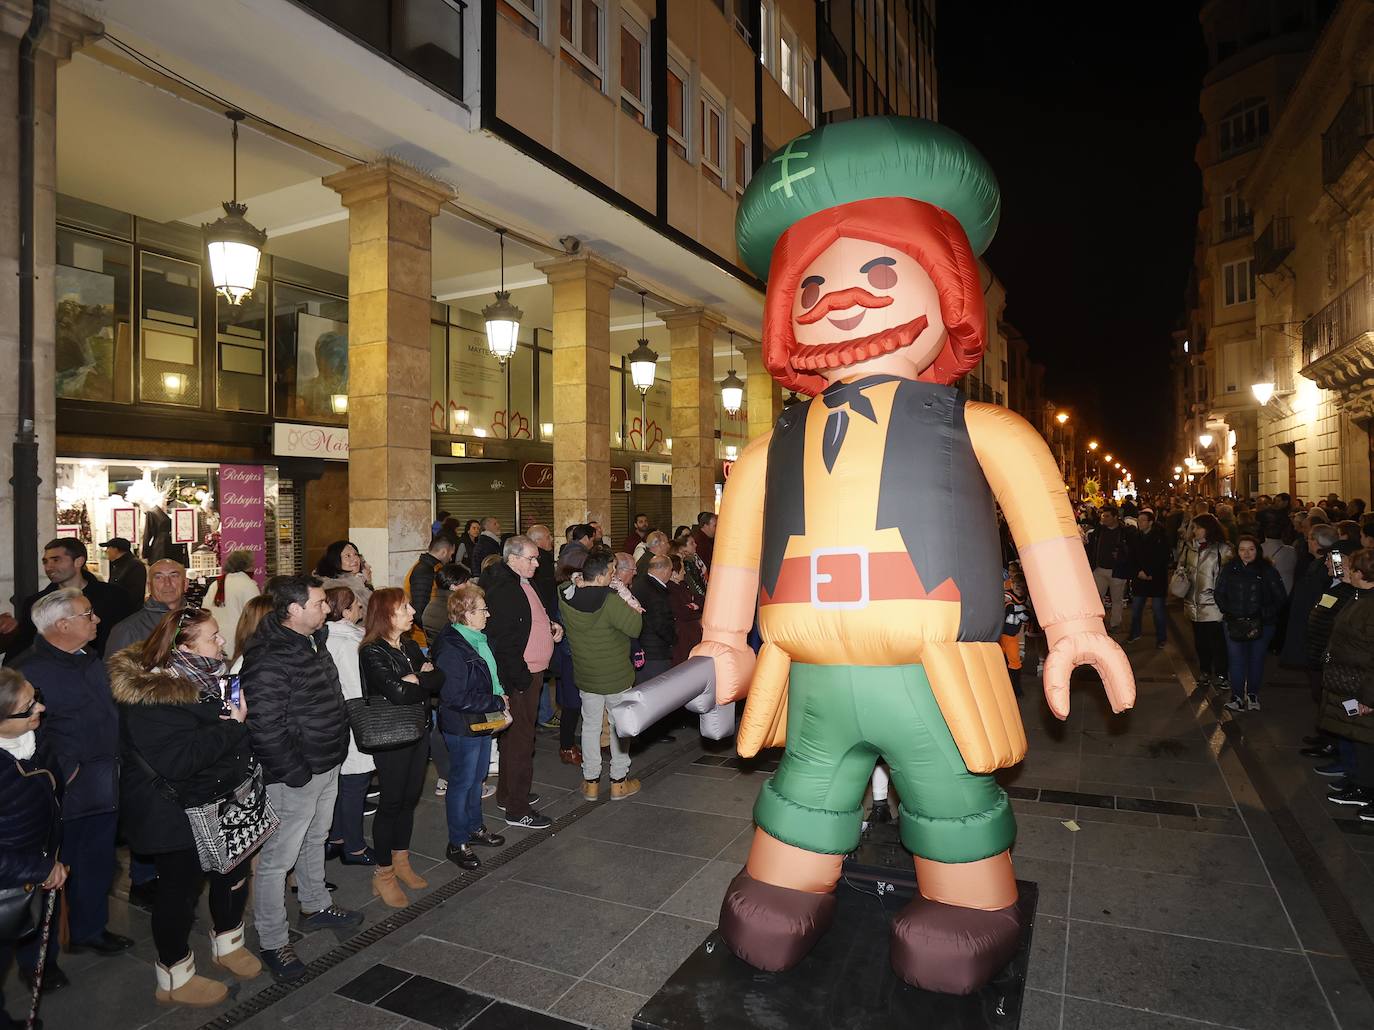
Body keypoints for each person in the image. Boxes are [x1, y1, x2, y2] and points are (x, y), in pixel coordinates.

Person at [108, 607, 261, 1006]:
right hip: (172, 811)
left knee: (234, 871)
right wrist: (233, 724)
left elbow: (234, 734)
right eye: (213, 637)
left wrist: (236, 727)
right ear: (183, 648)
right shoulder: (152, 695)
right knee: (179, 892)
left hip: (220, 799)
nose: (223, 642)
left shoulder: (215, 676)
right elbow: (179, 761)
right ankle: (174, 976)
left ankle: (228, 942)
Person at [241, 576, 360, 981]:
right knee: (277, 860)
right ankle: (274, 939)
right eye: (320, 602)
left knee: (316, 838)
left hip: (325, 760)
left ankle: (315, 903)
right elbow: (265, 725)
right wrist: (295, 773)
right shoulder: (270, 655)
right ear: (293, 609)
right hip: (297, 771)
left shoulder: (314, 639)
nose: (327, 608)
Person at [14, 590, 132, 984]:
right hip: (60, 792)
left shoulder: (90, 660)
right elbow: (24, 737)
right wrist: (68, 773)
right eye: (88, 614)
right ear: (62, 625)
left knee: (96, 862)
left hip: (103, 783)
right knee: (46, 877)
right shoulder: (27, 673)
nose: (97, 620)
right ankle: (38, 964)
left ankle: (90, 930)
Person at [359, 588, 442, 907]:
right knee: (391, 803)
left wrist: (416, 679)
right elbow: (396, 693)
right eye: (404, 607)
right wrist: (416, 680)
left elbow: (438, 679)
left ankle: (402, 861)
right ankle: (383, 874)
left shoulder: (408, 644)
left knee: (409, 800)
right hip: (391, 736)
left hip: (417, 730)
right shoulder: (372, 650)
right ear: (386, 615)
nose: (411, 611)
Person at [479, 535, 563, 829]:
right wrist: (522, 679)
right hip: (520, 677)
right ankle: (517, 808)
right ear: (512, 558)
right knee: (520, 742)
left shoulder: (523, 580)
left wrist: (552, 626)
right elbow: (503, 642)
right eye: (531, 558)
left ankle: (507, 793)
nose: (537, 563)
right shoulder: (504, 588)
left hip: (532, 671)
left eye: (537, 558)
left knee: (514, 739)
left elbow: (531, 618)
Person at [0, 668, 64, 1026]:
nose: (40, 707)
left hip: (24, 873)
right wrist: (40, 868)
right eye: (28, 706)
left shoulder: (32, 742)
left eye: (35, 696)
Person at [431, 583, 509, 870]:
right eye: (482, 610)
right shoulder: (453, 647)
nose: (488, 615)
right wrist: (495, 701)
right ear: (465, 614)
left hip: (479, 718)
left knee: (477, 777)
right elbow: (454, 697)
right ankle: (457, 842)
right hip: (462, 724)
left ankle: (475, 829)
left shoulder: (476, 639)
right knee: (462, 782)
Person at [560, 548, 643, 802]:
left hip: (587, 674)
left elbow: (566, 582)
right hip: (616, 676)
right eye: (612, 570)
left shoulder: (565, 595)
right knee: (619, 728)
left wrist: (578, 580)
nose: (614, 575)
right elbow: (635, 627)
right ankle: (619, 781)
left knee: (590, 726)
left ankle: (591, 782)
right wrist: (628, 601)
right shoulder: (611, 600)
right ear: (605, 574)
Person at [4, 538, 135, 663]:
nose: (49, 567)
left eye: (56, 560)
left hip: (107, 673)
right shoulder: (37, 603)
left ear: (79, 561)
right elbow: (22, 646)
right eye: (45, 561)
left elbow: (130, 637)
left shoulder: (115, 597)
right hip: (55, 677)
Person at [1315, 548, 1374, 820]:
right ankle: (1359, 782)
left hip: (1362, 687)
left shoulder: (1369, 606)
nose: (1346, 571)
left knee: (1366, 739)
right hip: (1348, 683)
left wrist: (1368, 698)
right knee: (1355, 734)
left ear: (1362, 574)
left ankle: (1367, 789)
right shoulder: (1358, 596)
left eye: (1352, 568)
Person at [321, 587, 376, 867]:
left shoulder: (326, 638)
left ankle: (337, 837)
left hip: (336, 721)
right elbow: (356, 687)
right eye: (356, 605)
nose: (360, 609)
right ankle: (354, 848)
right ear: (345, 611)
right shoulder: (348, 642)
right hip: (355, 722)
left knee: (342, 786)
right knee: (355, 786)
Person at [1214, 535, 1286, 712]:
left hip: (1262, 625)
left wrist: (1263, 614)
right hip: (1234, 622)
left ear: (1257, 551)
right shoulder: (1229, 569)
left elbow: (1280, 598)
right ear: (1236, 551)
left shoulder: (1268, 570)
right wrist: (1230, 611)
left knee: (1256, 660)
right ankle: (1237, 696)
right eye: (1242, 549)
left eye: (1251, 549)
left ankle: (1252, 694)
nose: (1246, 553)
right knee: (1236, 661)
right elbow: (1219, 593)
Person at [1182, 513, 1232, 692]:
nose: (1193, 531)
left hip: (1213, 604)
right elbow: (1182, 567)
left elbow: (1229, 575)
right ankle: (1204, 670)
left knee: (1217, 641)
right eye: (1193, 527)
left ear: (1208, 529)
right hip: (1193, 603)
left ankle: (1221, 674)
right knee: (1200, 641)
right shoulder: (1189, 548)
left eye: (1197, 527)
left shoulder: (1222, 549)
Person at [105, 559, 188, 661]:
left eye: (174, 576)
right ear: (149, 587)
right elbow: (113, 673)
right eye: (158, 577)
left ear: (186, 584)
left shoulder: (200, 622)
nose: (167, 583)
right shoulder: (127, 630)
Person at [1127, 508, 1170, 647]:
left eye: (1143, 520)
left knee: (1158, 611)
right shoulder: (1135, 537)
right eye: (1138, 520)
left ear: (1150, 522)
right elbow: (1132, 557)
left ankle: (1161, 638)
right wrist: (1138, 571)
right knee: (1136, 610)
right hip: (1140, 578)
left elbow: (1163, 558)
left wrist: (1150, 572)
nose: (1140, 523)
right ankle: (1135, 632)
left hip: (1156, 579)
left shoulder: (1160, 537)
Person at [1086, 505, 1132, 632]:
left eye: (1107, 516)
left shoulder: (1124, 532)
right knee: (1097, 598)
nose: (1104, 518)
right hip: (1099, 570)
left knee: (1116, 599)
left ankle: (1115, 624)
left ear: (1115, 517)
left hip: (1117, 571)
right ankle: (1099, 623)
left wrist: (1122, 555)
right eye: (1103, 516)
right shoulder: (1099, 530)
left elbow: (1131, 550)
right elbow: (1091, 547)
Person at [205, 549, 260, 653]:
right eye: (252, 564)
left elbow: (205, 612)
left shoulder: (215, 584)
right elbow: (256, 616)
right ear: (246, 565)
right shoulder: (249, 585)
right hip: (239, 641)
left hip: (216, 640)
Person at [632, 554, 676, 683]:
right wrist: (673, 638)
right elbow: (660, 624)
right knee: (659, 693)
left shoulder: (640, 583)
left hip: (643, 648)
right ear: (665, 570)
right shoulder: (657, 593)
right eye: (671, 570)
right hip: (656, 653)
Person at [406, 533, 458, 621]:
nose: (451, 559)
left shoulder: (431, 568)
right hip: (422, 632)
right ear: (444, 552)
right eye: (451, 554)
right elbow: (419, 610)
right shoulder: (424, 571)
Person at [315, 540, 374, 611]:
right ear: (336, 560)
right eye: (348, 556)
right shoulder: (331, 585)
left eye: (356, 554)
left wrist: (367, 583)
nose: (354, 559)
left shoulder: (358, 580)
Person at [667, 555, 703, 666]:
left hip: (692, 636)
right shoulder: (670, 591)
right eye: (682, 569)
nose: (684, 573)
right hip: (683, 640)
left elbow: (700, 599)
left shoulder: (684, 585)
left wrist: (693, 606)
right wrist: (694, 607)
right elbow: (682, 612)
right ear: (674, 573)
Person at [421, 564, 471, 645]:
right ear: (453, 587)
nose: (469, 584)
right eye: (465, 582)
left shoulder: (433, 603)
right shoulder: (455, 607)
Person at [102, 536, 146, 606]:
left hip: (129, 612)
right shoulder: (117, 564)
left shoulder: (135, 566)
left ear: (115, 550)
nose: (106, 551)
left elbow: (134, 594)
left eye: (108, 548)